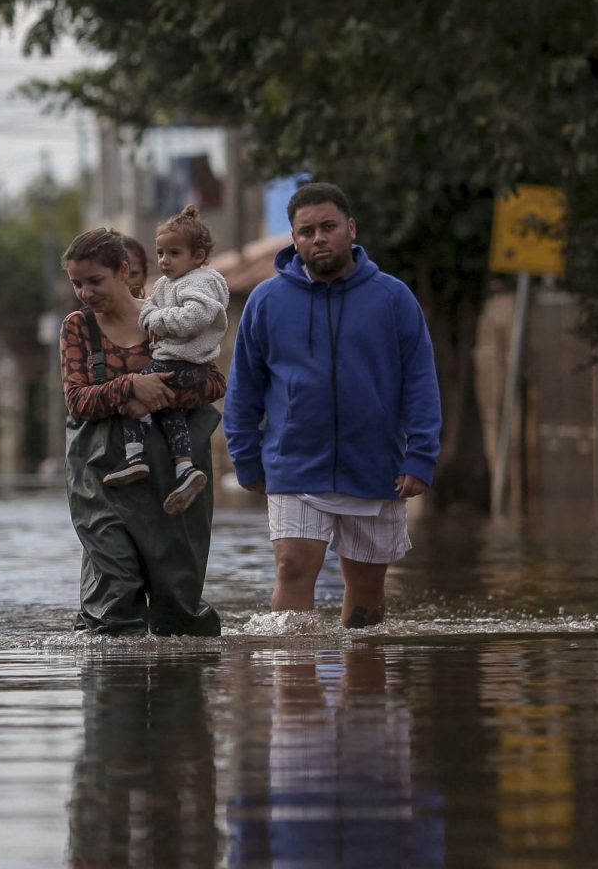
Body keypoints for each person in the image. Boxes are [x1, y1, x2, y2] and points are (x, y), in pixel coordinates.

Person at [223, 182, 441, 628]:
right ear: (294, 238)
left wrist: (420, 455)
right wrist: (246, 459)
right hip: (294, 464)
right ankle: (295, 689)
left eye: (328, 226)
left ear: (351, 228)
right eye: (306, 231)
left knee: (365, 594)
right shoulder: (266, 301)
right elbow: (243, 387)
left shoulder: (393, 298)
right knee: (292, 568)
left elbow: (420, 381)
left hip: (375, 466)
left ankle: (362, 694)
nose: (318, 238)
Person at [60, 226, 225, 636]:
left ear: (123, 270)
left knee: (178, 600)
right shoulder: (77, 328)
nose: (85, 292)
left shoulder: (163, 317)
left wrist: (164, 395)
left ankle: (182, 688)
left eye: (94, 281)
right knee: (114, 586)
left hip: (171, 475)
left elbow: (214, 383)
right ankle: (112, 685)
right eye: (77, 283)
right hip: (101, 477)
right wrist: (131, 386)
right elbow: (77, 402)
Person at [103, 205, 230, 517]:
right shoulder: (165, 284)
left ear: (197, 257)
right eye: (160, 253)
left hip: (181, 363)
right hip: (183, 366)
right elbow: (148, 309)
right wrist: (152, 314)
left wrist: (156, 318)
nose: (164, 260)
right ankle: (186, 470)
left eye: (173, 253)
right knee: (172, 413)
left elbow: (191, 317)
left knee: (131, 396)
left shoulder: (197, 282)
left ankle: (134, 455)